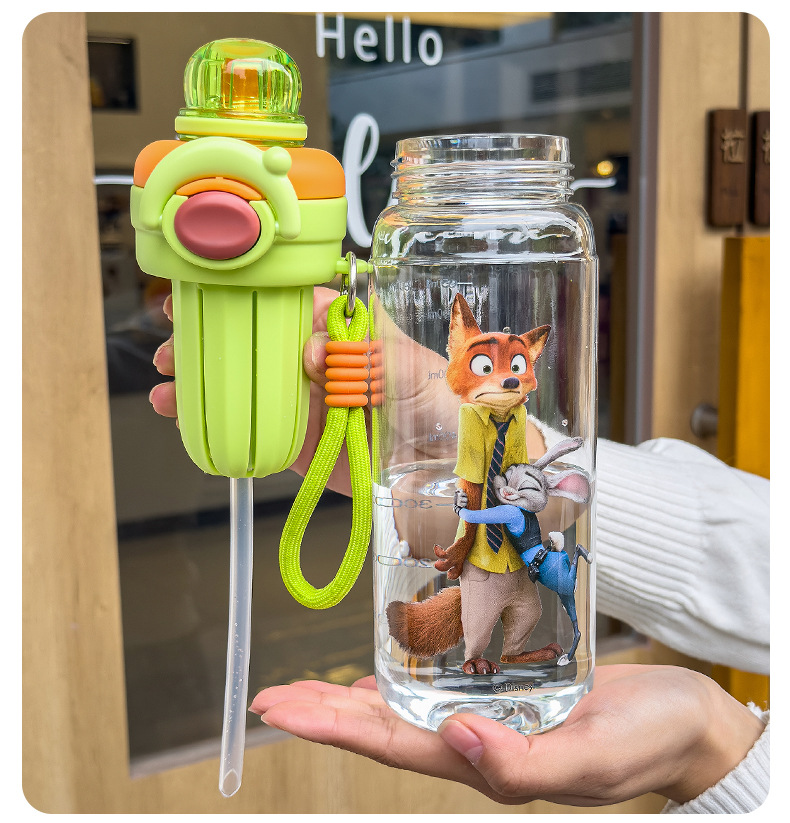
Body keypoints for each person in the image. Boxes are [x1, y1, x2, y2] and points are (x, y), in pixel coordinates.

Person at [150, 287, 769, 812]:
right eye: (487, 366)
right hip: (483, 560)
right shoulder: (474, 425)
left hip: (519, 567)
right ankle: (475, 656)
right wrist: (458, 520)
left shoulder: (510, 426)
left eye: (517, 367)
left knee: (525, 611)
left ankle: (514, 652)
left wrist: (721, 748)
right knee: (480, 611)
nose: (507, 379)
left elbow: (526, 489)